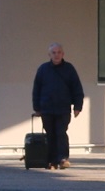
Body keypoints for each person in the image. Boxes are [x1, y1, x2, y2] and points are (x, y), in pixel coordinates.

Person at [30, 43, 84, 171]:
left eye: (59, 52)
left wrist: (78, 106)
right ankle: (51, 161)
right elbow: (36, 89)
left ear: (63, 54)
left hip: (63, 108)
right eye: (54, 53)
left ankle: (63, 159)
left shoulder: (69, 69)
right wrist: (36, 107)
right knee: (50, 134)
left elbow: (77, 88)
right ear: (49, 55)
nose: (56, 55)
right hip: (47, 108)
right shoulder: (43, 69)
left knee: (61, 133)